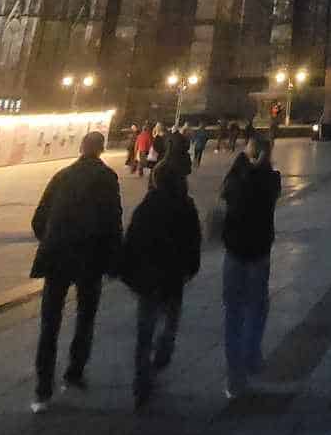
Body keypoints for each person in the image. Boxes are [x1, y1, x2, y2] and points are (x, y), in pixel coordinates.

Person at [28, 131, 123, 411]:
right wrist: (114, 259)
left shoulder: (62, 175)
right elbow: (112, 221)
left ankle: (42, 389)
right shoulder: (107, 178)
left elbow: (39, 218)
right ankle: (74, 372)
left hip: (57, 255)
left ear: (82, 148)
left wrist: (50, 238)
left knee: (50, 322)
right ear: (101, 150)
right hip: (89, 257)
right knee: (85, 316)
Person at [120, 157, 202, 408]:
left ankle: (141, 383)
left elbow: (131, 241)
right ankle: (162, 355)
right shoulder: (186, 206)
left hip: (148, 278)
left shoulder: (146, 207)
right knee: (170, 323)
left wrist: (128, 273)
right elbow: (193, 241)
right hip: (173, 277)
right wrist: (191, 268)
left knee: (144, 332)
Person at [220, 131, 283, 398]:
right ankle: (251, 355)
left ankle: (235, 376)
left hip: (235, 252)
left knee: (234, 313)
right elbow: (262, 191)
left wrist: (247, 165)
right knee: (256, 307)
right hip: (257, 253)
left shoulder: (237, 177)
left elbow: (230, 193)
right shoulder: (269, 178)